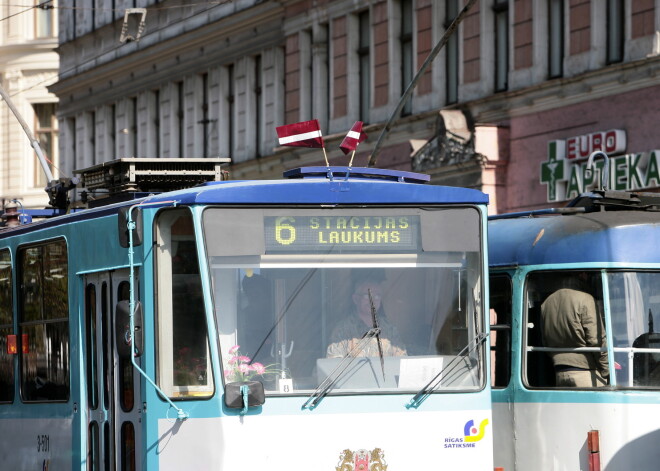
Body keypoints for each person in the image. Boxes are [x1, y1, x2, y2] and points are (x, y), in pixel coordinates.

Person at [540, 272, 608, 387]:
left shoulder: (546, 303)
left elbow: (545, 340)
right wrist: (607, 370)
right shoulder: (585, 299)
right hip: (587, 372)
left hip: (559, 371)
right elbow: (596, 340)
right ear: (581, 275)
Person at [326, 274, 407, 358]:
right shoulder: (343, 330)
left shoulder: (390, 330)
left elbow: (402, 362)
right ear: (356, 299)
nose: (372, 301)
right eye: (367, 296)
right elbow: (333, 364)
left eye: (377, 296)